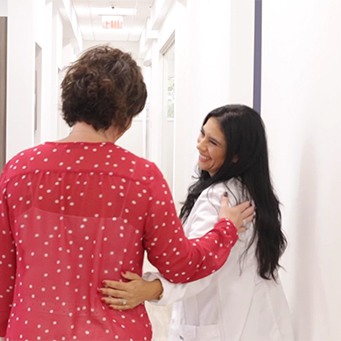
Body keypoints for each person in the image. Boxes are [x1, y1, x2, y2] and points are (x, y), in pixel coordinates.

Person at [0, 47, 254, 341]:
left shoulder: (19, 170)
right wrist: (226, 229)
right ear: (127, 115)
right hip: (114, 332)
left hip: (31, 330)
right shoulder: (141, 178)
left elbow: (4, 267)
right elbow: (180, 264)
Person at [100, 104, 295, 340]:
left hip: (225, 323)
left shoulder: (220, 198)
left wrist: (150, 289)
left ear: (236, 155)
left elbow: (202, 265)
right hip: (260, 321)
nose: (200, 145)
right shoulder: (251, 192)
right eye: (203, 134)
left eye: (213, 142)